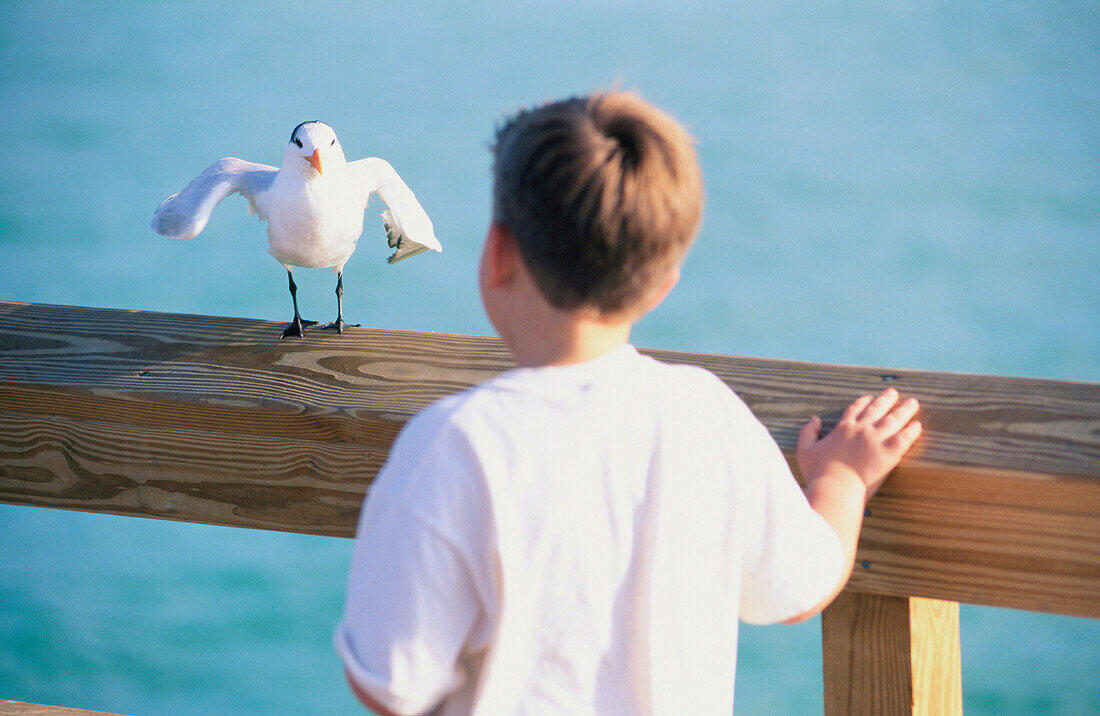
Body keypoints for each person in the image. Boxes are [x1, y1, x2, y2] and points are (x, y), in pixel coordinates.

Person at [334, 90, 922, 715]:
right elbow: (800, 588)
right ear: (661, 286)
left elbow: (387, 684)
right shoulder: (706, 416)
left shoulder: (452, 446)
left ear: (498, 255)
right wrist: (843, 477)